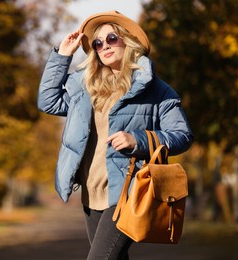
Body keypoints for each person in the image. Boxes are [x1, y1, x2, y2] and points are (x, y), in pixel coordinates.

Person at [37, 10, 193, 260]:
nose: (103, 46)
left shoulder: (156, 89)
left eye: (111, 38)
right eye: (98, 43)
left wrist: (138, 140)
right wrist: (62, 56)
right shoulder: (87, 86)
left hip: (128, 191)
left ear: (128, 41)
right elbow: (48, 102)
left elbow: (182, 135)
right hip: (91, 191)